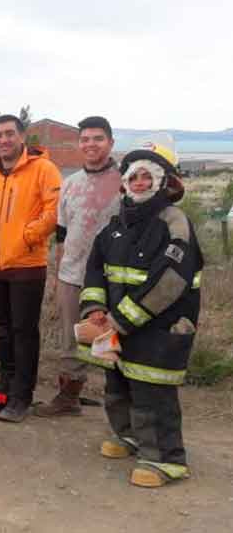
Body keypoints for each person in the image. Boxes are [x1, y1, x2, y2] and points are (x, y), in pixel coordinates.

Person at [79, 139, 201, 487]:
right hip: (113, 325)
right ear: (125, 182)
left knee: (152, 390)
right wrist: (95, 309)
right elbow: (95, 267)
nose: (140, 183)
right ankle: (129, 436)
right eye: (135, 177)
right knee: (116, 382)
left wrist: (119, 321)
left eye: (148, 177)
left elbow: (169, 283)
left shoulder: (175, 223)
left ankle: (165, 459)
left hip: (159, 327)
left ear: (165, 182)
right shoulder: (116, 224)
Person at [0, 114, 61, 422]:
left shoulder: (43, 169)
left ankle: (22, 395)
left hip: (26, 264)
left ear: (22, 137)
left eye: (9, 133)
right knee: (2, 329)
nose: (3, 140)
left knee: (23, 332)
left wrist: (27, 237)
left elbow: (53, 212)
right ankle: (7, 380)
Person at [35, 116, 123, 417]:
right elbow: (62, 234)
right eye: (85, 139)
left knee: (114, 340)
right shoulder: (70, 184)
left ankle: (122, 404)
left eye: (97, 138)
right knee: (71, 340)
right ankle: (69, 396)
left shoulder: (125, 181)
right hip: (73, 274)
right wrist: (59, 275)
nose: (90, 144)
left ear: (110, 142)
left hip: (115, 278)